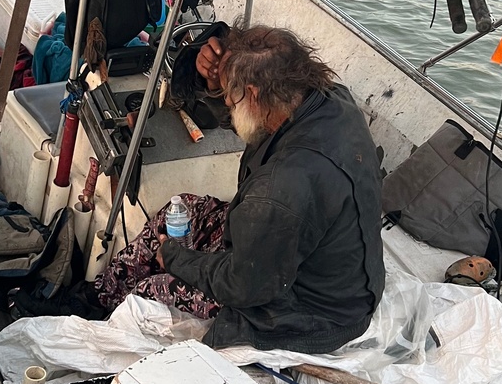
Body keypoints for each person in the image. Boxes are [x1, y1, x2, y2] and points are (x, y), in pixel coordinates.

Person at [98, 25, 385, 354]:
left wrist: (176, 259)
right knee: (184, 209)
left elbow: (243, 285)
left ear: (252, 94)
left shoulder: (282, 186)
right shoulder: (326, 99)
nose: (227, 104)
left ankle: (105, 315)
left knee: (152, 289)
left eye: (230, 95)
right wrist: (209, 81)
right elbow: (250, 124)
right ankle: (99, 294)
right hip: (313, 258)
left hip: (308, 314)